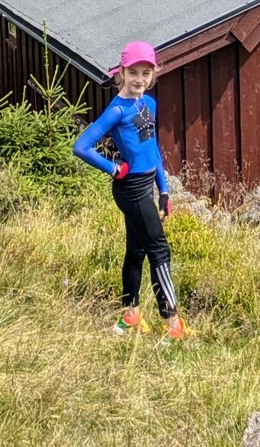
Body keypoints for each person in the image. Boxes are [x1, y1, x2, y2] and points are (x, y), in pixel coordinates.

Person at [73, 41, 186, 341]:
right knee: (159, 250)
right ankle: (172, 323)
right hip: (130, 189)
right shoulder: (116, 110)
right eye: (133, 72)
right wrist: (113, 168)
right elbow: (81, 147)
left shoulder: (148, 104)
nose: (139, 79)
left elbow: (153, 150)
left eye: (146, 72)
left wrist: (163, 191)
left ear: (153, 73)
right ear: (120, 73)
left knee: (136, 251)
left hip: (146, 186)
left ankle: (130, 317)